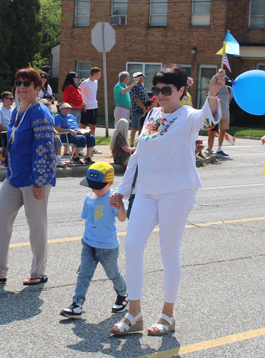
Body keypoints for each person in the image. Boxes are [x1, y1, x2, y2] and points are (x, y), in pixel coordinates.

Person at [109, 65, 225, 336]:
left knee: (168, 251)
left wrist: (212, 93)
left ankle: (167, 315)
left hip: (177, 191)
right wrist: (123, 190)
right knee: (133, 246)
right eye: (156, 90)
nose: (159, 95)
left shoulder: (189, 115)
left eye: (166, 90)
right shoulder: (152, 114)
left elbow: (209, 120)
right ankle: (134, 312)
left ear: (182, 90)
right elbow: (138, 156)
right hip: (146, 192)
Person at [0, 67, 56, 285]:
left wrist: (40, 181)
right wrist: (5, 150)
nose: (21, 86)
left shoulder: (40, 112)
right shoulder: (18, 110)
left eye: (26, 83)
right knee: (0, 219)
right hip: (14, 176)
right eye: (18, 82)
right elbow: (13, 138)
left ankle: (39, 272)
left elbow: (45, 148)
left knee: (37, 225)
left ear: (37, 88)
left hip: (34, 179)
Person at [60, 162, 128, 318]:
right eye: (92, 186)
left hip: (108, 247)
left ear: (111, 183)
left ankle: (123, 295)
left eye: (99, 186)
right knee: (83, 274)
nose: (95, 189)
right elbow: (88, 220)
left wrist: (120, 205)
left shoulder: (113, 199)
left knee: (113, 273)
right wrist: (85, 239)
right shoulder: (88, 198)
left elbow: (123, 218)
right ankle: (77, 304)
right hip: (88, 244)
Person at [206, 84, 233, 156]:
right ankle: (209, 149)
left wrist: (225, 109)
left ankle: (219, 149)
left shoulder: (229, 89)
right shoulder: (215, 88)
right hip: (216, 113)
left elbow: (229, 100)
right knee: (212, 132)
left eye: (224, 79)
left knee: (223, 132)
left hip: (225, 113)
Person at [79, 67, 101, 138]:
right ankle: (81, 144)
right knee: (83, 127)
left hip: (94, 106)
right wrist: (82, 102)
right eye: (99, 74)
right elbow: (78, 91)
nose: (100, 75)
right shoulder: (85, 82)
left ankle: (91, 146)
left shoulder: (96, 82)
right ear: (94, 74)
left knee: (93, 127)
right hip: (86, 107)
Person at [130, 72, 148, 146]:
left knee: (141, 128)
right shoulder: (135, 87)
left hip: (142, 111)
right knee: (135, 128)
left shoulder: (141, 87)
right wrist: (144, 108)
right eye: (143, 77)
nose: (144, 79)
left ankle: (138, 144)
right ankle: (131, 145)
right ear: (139, 78)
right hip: (137, 110)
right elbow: (136, 99)